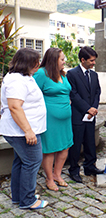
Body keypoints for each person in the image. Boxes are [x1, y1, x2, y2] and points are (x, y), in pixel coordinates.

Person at [0, 48, 48, 209]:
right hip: (22, 131)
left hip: (23, 130)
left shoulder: (23, 77)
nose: (39, 64)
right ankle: (28, 200)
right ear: (27, 63)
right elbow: (14, 107)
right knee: (32, 162)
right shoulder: (16, 80)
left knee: (21, 162)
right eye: (36, 61)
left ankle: (18, 197)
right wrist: (28, 131)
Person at [33, 48, 73, 191]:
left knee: (64, 146)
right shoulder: (41, 74)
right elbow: (32, 94)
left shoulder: (62, 74)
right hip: (50, 119)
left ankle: (57, 174)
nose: (64, 61)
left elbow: (66, 91)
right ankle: (49, 179)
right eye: (62, 59)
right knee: (50, 149)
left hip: (65, 119)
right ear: (53, 59)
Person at [66, 46, 103, 183]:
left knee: (90, 142)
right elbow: (73, 94)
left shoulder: (94, 75)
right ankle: (74, 170)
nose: (94, 63)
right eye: (91, 61)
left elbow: (97, 92)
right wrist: (87, 108)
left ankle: (90, 166)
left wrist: (94, 108)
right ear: (83, 60)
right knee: (76, 145)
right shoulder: (72, 74)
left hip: (91, 115)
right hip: (78, 115)